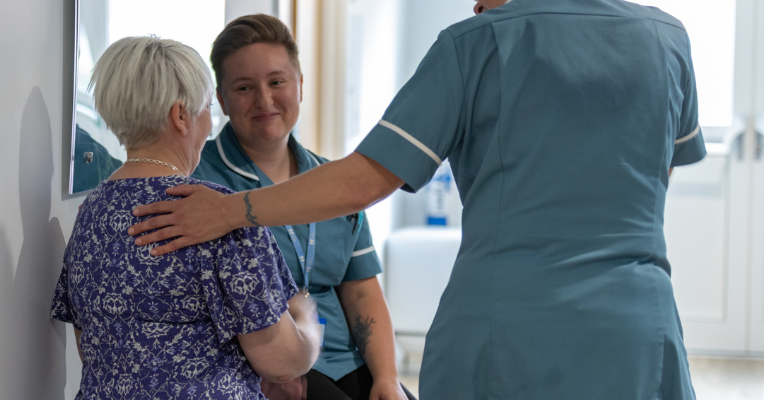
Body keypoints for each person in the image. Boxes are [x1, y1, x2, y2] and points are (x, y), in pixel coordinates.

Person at [126, 0, 707, 398]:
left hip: (508, 328)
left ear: (299, 83)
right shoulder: (668, 39)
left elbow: (365, 181)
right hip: (635, 324)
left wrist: (231, 211)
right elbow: (656, 177)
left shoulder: (474, 45)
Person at [51, 36, 322, 399]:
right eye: (207, 107)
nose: (209, 123)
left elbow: (89, 346)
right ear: (181, 116)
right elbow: (282, 362)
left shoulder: (90, 213)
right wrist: (307, 326)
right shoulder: (218, 213)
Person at [191, 14, 412, 400]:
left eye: (277, 82)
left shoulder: (334, 182)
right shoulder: (199, 182)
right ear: (222, 101)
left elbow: (361, 291)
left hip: (342, 360)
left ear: (300, 85)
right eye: (244, 87)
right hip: (261, 368)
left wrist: (387, 379)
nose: (264, 100)